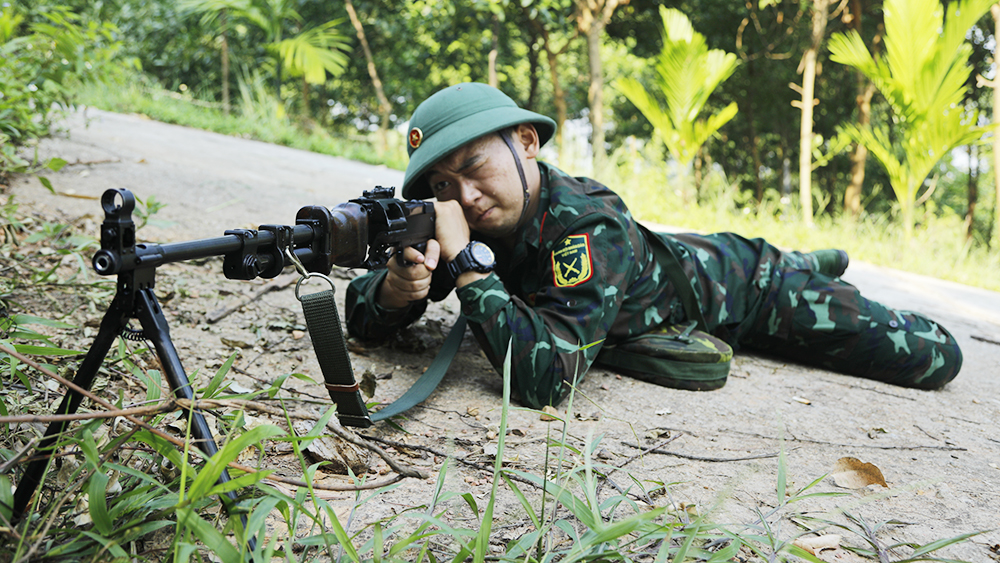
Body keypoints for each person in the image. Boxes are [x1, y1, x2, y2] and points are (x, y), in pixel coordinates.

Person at [345, 82, 962, 410]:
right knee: (693, 250)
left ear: (527, 142)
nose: (465, 195)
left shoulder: (590, 225)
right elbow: (361, 318)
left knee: (935, 358)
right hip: (680, 257)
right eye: (443, 185)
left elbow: (546, 381)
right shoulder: (468, 224)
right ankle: (812, 257)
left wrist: (471, 273)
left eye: (475, 166)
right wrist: (400, 288)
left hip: (749, 289)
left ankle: (804, 265)